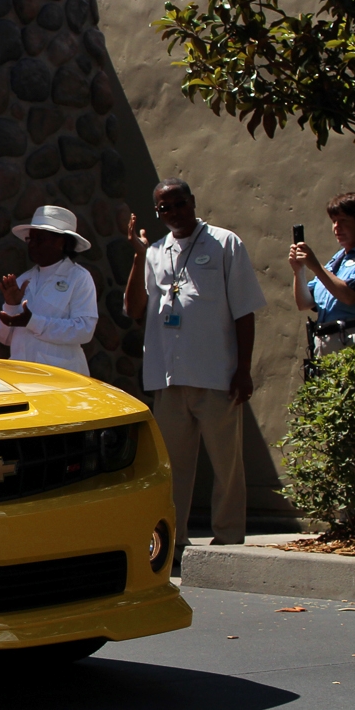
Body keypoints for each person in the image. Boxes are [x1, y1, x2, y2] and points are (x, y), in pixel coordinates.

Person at [125, 178, 266, 551]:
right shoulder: (154, 251)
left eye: (179, 203)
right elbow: (135, 309)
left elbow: (244, 310)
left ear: (192, 201)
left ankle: (229, 540)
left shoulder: (225, 243)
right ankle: (173, 543)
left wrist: (244, 368)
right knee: (173, 470)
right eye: (164, 208)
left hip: (217, 375)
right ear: (157, 213)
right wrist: (138, 256)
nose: (173, 212)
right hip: (168, 379)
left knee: (226, 466)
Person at [0, 206, 98, 375]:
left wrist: (32, 321)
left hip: (63, 381)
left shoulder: (79, 278)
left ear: (61, 242)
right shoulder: (23, 280)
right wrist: (11, 306)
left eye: (39, 239)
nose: (32, 244)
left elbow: (84, 330)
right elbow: (0, 336)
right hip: (22, 378)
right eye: (29, 239)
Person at [289, 191, 355, 357]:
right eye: (334, 221)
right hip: (326, 342)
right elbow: (305, 303)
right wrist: (299, 270)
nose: (337, 227)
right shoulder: (336, 261)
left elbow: (349, 296)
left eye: (343, 221)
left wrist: (315, 266)